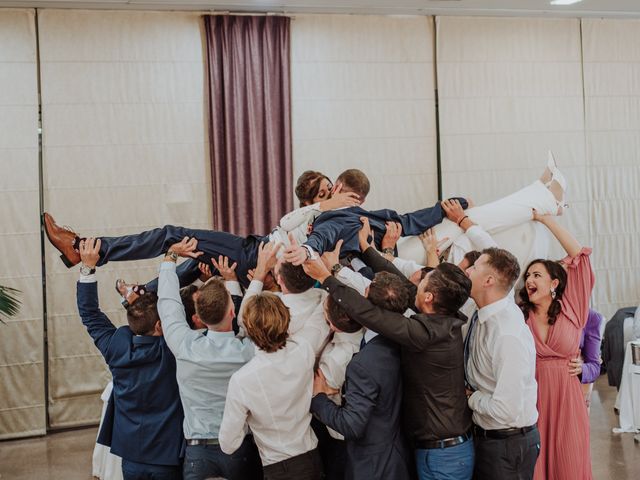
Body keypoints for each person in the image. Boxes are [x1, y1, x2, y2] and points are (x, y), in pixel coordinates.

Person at [75, 238, 184, 480]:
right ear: (160, 325)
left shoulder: (117, 348)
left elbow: (90, 315)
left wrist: (87, 268)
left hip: (131, 459)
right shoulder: (173, 351)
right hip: (168, 460)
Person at [156, 237, 261, 479]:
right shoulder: (248, 350)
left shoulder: (184, 346)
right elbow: (249, 322)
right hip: (240, 448)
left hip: (198, 451)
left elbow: (168, 303)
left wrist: (171, 257)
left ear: (198, 316)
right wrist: (247, 280)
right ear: (232, 311)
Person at [308, 282, 412, 480]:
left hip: (373, 462)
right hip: (392, 445)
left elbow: (352, 425)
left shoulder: (359, 363)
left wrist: (318, 397)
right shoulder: (390, 335)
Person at [519, 212, 595, 480]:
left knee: (570, 464)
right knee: (536, 468)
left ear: (554, 284)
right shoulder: (520, 317)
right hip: (534, 402)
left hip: (567, 401)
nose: (530, 280)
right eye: (528, 275)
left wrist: (546, 220)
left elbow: (579, 256)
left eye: (537, 275)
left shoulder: (572, 307)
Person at [219, 293, 323, 480]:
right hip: (312, 458)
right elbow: (320, 317)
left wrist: (248, 420)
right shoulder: (304, 350)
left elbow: (228, 444)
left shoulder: (242, 380)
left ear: (249, 329)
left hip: (279, 468)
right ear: (286, 319)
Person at [465, 247, 540, 480]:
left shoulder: (507, 335)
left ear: (488, 280)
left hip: (507, 443)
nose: (467, 271)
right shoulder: (485, 310)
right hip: (488, 438)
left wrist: (470, 397)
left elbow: (506, 410)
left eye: (474, 267)